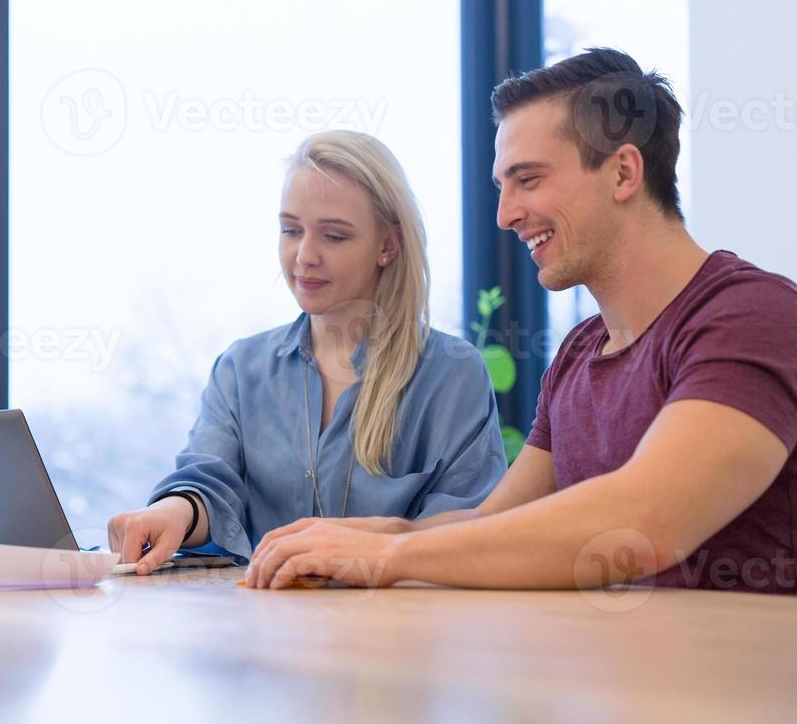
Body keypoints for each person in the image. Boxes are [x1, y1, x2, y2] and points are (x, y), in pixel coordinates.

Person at [246, 49, 797, 598]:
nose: (506, 214)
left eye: (528, 180)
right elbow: (494, 525)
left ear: (623, 172)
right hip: (642, 706)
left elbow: (642, 521)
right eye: (501, 186)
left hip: (772, 713)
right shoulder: (581, 352)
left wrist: (390, 555)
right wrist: (375, 535)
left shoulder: (752, 318)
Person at [108, 130, 508, 574]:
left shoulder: (451, 375)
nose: (304, 256)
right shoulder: (241, 370)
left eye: (334, 236)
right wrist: (176, 512)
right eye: (291, 230)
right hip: (266, 627)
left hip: (401, 631)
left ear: (388, 245)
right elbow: (210, 482)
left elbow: (473, 529)